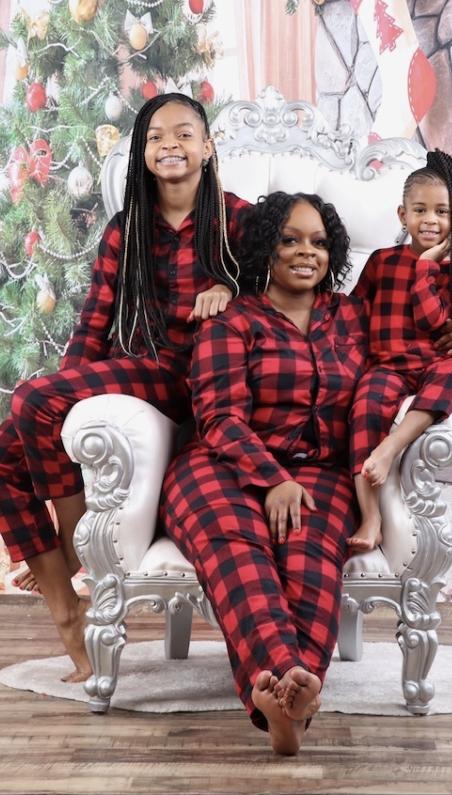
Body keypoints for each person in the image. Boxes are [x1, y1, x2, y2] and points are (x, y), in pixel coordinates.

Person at [0, 92, 249, 681]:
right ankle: (66, 610)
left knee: (34, 398)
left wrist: (233, 291)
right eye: (154, 137)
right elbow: (92, 327)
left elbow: (287, 303)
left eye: (183, 133)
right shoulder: (126, 229)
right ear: (142, 153)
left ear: (207, 146)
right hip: (133, 371)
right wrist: (68, 392)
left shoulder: (240, 222)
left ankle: (76, 549)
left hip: (189, 381)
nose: (169, 145)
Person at [158, 192, 369, 756]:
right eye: (291, 239)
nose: (307, 252)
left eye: (320, 242)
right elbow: (219, 416)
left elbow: (414, 341)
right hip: (219, 462)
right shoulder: (230, 317)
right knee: (239, 547)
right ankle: (288, 684)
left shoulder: (351, 315)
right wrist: (272, 478)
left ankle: (282, 700)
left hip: (318, 472)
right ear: (264, 247)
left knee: (309, 552)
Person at [347, 149, 452, 552]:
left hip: (432, 366)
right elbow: (355, 311)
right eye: (420, 210)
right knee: (365, 405)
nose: (431, 220)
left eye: (442, 212)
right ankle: (370, 518)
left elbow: (431, 320)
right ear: (402, 216)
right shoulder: (381, 261)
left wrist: (426, 266)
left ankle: (391, 447)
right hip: (386, 366)